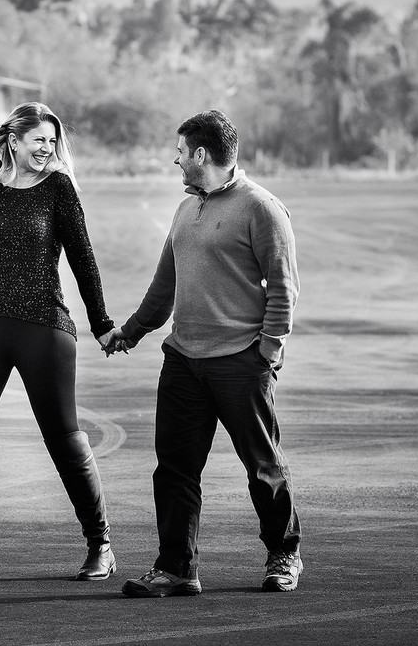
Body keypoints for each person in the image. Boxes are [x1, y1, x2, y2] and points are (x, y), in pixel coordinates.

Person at [110, 109, 303, 597]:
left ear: (200, 154)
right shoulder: (185, 209)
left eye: (180, 153)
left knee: (262, 466)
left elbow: (283, 287)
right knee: (173, 469)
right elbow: (164, 286)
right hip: (183, 360)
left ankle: (284, 554)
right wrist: (131, 332)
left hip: (240, 360)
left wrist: (268, 350)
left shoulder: (261, 207)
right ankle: (176, 568)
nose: (176, 161)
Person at [0, 101, 119, 584]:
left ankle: (101, 545)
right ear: (14, 140)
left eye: (53, 142)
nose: (47, 149)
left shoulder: (58, 187)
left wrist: (102, 323)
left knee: (64, 439)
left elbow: (82, 257)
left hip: (43, 325)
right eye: (38, 140)